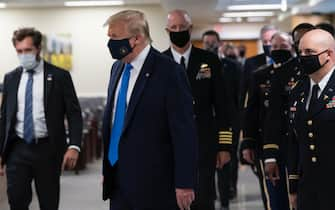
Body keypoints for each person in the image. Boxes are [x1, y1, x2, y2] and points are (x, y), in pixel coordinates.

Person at [102, 10, 198, 210]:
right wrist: (108, 170)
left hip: (154, 182)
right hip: (118, 180)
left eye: (115, 37)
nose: (110, 43)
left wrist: (184, 182)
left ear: (136, 38)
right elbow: (114, 121)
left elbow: (184, 132)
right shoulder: (117, 68)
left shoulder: (169, 72)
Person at [0, 27, 83, 210]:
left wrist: (74, 145)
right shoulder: (10, 78)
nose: (23, 55)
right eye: (19, 51)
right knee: (16, 201)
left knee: (49, 202)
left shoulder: (59, 76)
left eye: (28, 50)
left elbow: (74, 113)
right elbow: (4, 117)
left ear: (38, 49)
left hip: (48, 149)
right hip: (17, 149)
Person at [163, 10, 234, 210]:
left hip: (204, 142)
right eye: (174, 28)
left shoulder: (209, 60)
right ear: (167, 31)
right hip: (170, 145)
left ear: (191, 29)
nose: (178, 31)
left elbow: (222, 106)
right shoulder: (159, 62)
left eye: (182, 27)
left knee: (203, 199)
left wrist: (224, 146)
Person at [287, 29, 335, 210]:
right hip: (308, 187)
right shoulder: (298, 89)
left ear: (328, 54)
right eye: (300, 52)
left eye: (309, 52)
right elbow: (293, 140)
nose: (302, 57)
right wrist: (293, 186)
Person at [202, 30, 242, 209]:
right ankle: (211, 197)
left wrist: (238, 120)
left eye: (212, 42)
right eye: (206, 42)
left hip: (228, 121)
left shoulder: (231, 66)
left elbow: (238, 94)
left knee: (228, 160)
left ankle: (226, 196)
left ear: (219, 44)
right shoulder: (200, 67)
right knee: (208, 162)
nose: (210, 45)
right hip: (207, 122)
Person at [239, 24, 277, 210]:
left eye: (273, 41)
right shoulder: (252, 64)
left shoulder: (293, 65)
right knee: (267, 184)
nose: (270, 45)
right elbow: (247, 104)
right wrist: (246, 139)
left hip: (285, 134)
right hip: (261, 131)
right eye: (266, 41)